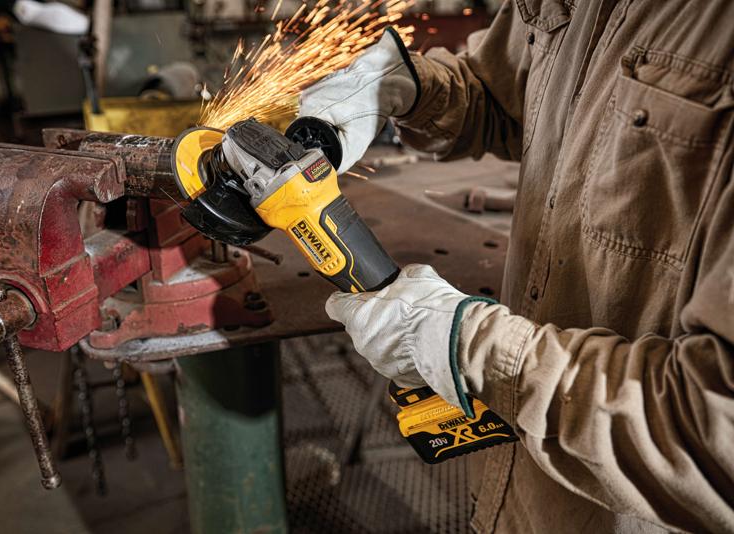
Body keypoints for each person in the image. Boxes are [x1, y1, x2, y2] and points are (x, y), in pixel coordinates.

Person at [296, 1, 734, 532]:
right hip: (520, 488)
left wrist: (468, 346)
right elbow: (500, 92)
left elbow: (717, 434)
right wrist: (404, 86)